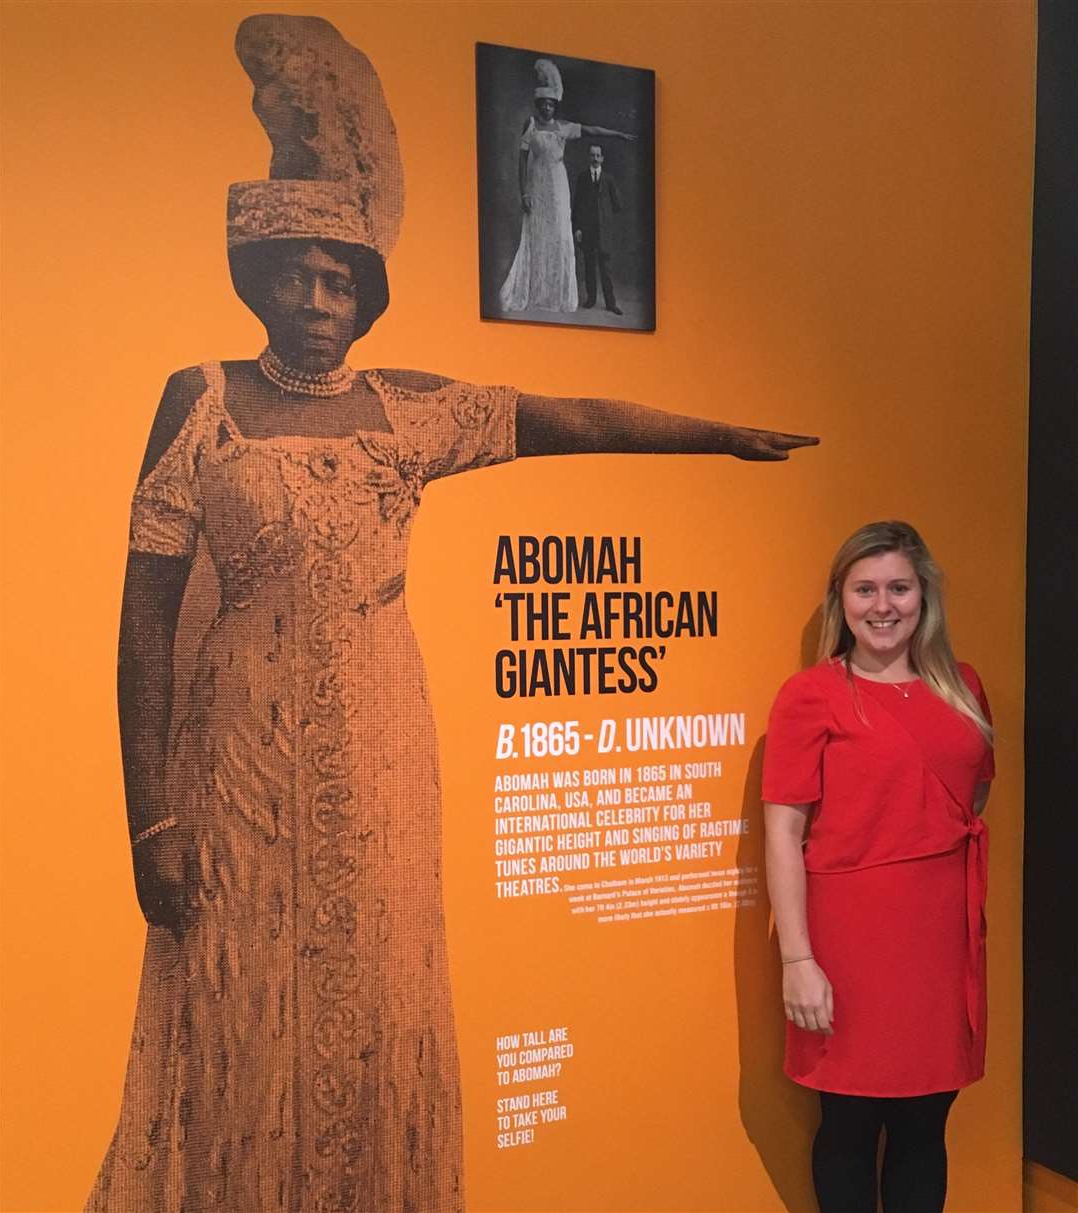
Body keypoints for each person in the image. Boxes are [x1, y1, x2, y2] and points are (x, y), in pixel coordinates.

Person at [88, 15, 817, 1213]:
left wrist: (716, 436)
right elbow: (143, 617)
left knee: (375, 992)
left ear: (365, 298)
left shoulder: (405, 411)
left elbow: (563, 417)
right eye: (297, 276)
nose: (318, 298)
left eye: (340, 279)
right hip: (236, 769)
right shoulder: (202, 400)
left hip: (380, 757)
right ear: (259, 281)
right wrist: (150, 820)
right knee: (235, 1003)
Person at [762, 521, 994, 1213]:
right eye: (865, 588)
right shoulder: (811, 694)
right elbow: (783, 831)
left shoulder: (962, 686)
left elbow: (973, 790)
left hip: (941, 938)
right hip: (847, 940)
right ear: (842, 599)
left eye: (899, 586)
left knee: (928, 1121)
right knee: (850, 1122)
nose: (882, 604)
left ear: (924, 596)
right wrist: (798, 958)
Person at [499, 58, 634, 314]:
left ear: (555, 106)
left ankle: (558, 293)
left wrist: (618, 134)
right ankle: (536, 292)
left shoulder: (564, 128)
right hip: (537, 186)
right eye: (544, 104)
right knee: (538, 235)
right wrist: (523, 192)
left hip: (558, 187)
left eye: (552, 104)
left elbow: (592, 130)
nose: (548, 108)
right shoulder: (530, 124)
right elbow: (522, 159)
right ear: (539, 105)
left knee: (560, 235)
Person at [573, 144, 623, 313]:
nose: (595, 158)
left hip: (603, 231)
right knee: (589, 265)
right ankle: (591, 299)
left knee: (605, 268)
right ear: (589, 157)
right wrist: (578, 228)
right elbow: (577, 205)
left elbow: (617, 205)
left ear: (602, 158)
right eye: (592, 155)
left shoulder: (609, 179)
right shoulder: (582, 178)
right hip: (587, 230)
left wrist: (606, 218)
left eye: (598, 155)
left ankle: (611, 303)